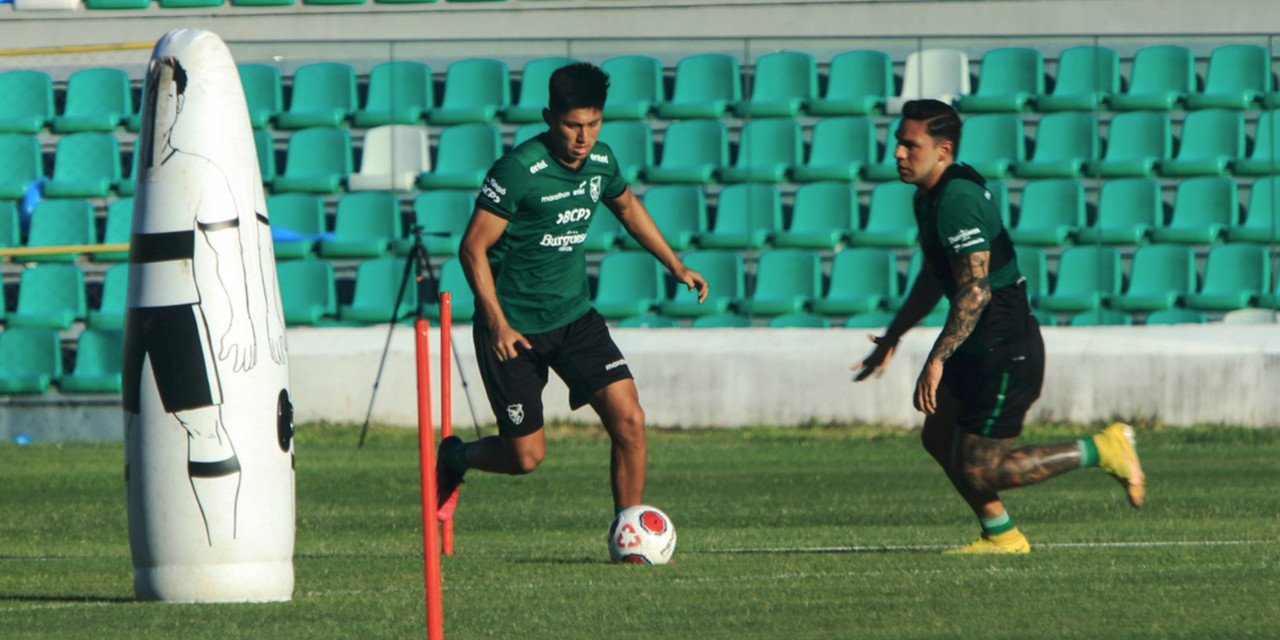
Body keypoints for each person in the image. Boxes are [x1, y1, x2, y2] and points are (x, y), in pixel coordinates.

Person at [851, 99, 1144, 554]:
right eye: (898, 143)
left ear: (943, 150)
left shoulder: (958, 199)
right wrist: (894, 335)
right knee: (939, 436)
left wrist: (936, 359)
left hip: (1004, 345)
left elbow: (975, 290)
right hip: (978, 339)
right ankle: (1002, 536)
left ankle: (1102, 449)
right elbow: (937, 274)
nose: (898, 154)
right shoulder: (929, 197)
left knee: (981, 469)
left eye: (911, 145)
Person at [436, 62, 709, 523]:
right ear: (549, 117)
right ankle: (455, 458)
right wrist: (498, 324)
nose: (584, 136)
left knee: (630, 421)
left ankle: (628, 532)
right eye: (572, 125)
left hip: (574, 318)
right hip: (514, 329)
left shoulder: (601, 161)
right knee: (525, 457)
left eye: (593, 123)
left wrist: (675, 263)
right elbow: (471, 248)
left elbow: (627, 208)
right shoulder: (519, 170)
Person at [124, 56, 286, 545]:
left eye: (172, 98)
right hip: (141, 316)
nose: (163, 107)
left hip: (179, 315)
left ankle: (224, 544)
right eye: (157, 97)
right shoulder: (148, 188)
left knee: (205, 425)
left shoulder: (201, 172)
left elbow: (227, 249)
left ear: (181, 107)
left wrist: (240, 320)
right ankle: (170, 552)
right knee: (138, 430)